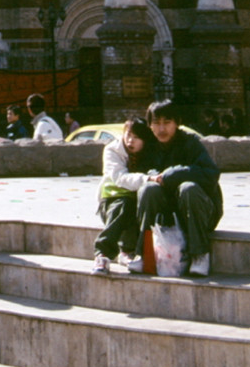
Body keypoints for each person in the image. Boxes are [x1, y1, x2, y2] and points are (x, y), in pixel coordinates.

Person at [137, 98, 223, 277]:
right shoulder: (149, 146)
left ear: (177, 123)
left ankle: (200, 254)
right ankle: (143, 253)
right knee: (148, 188)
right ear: (150, 125)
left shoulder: (190, 143)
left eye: (167, 123)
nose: (161, 129)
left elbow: (211, 173)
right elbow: (139, 171)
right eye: (156, 123)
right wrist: (154, 175)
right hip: (168, 214)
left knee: (188, 187)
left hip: (199, 211)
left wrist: (174, 174)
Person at [91, 116, 157, 274]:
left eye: (136, 137)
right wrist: (147, 178)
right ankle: (102, 254)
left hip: (136, 198)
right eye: (128, 135)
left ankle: (128, 251)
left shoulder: (150, 152)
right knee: (124, 206)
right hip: (112, 199)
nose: (130, 141)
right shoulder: (113, 150)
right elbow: (119, 178)